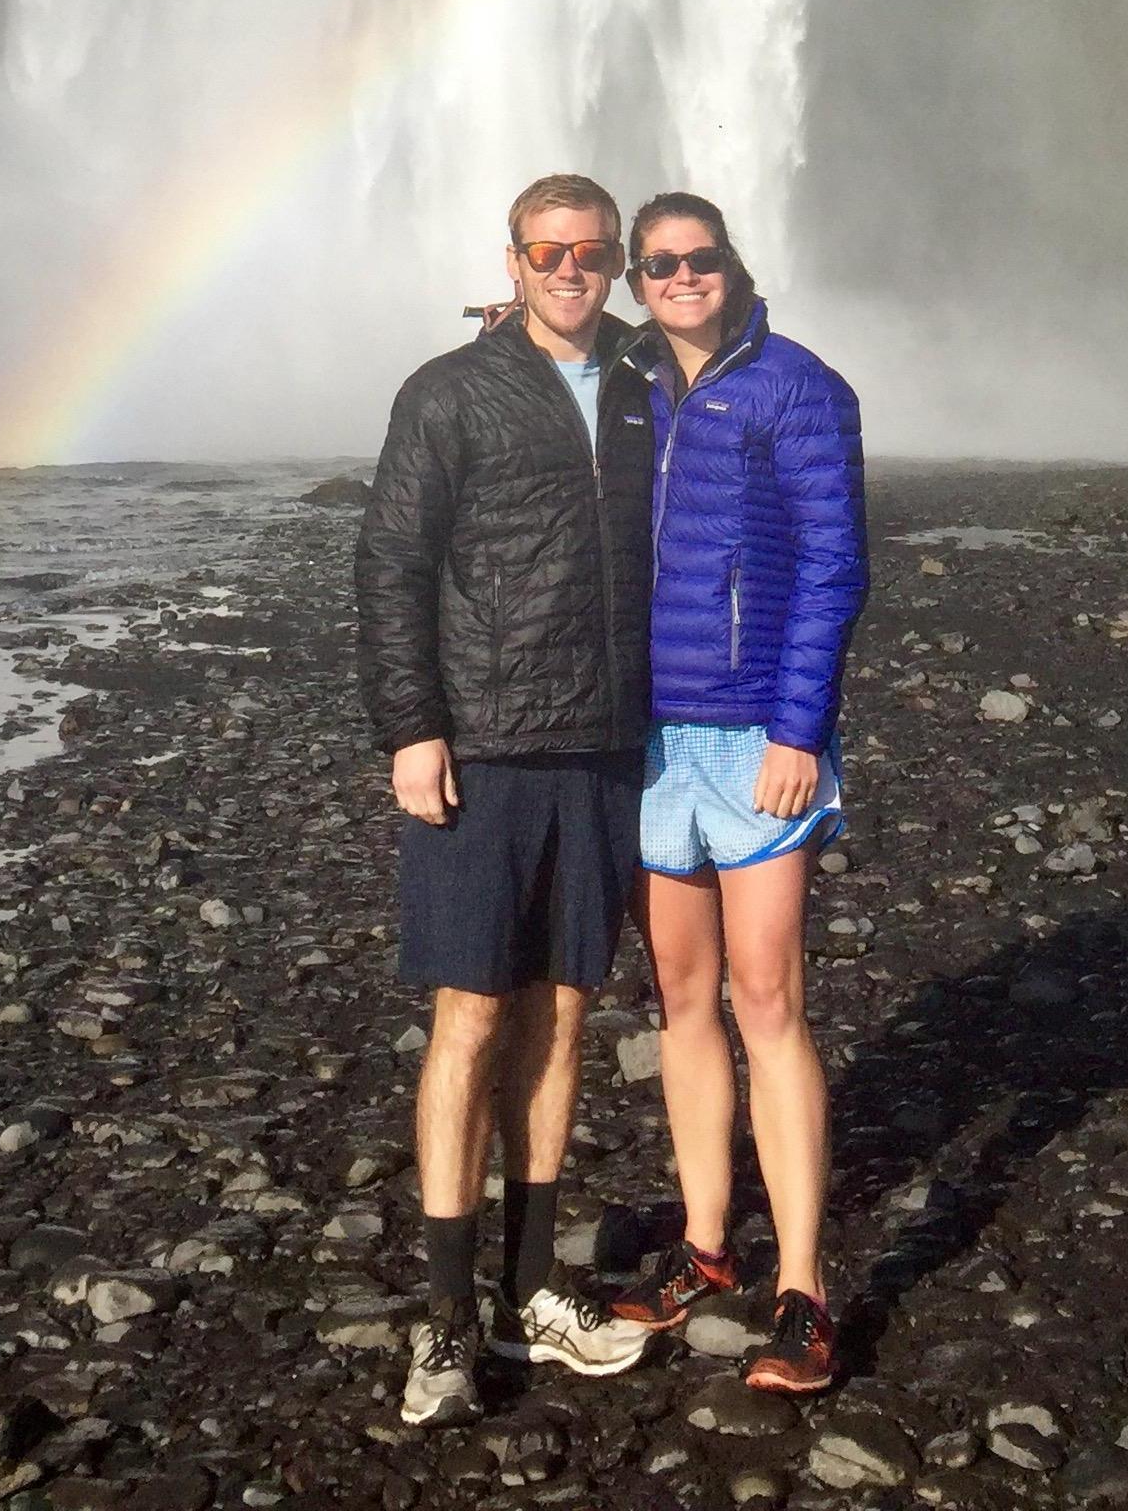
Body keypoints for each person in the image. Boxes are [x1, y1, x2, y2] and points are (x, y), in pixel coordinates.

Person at [354, 173, 664, 1428]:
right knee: (471, 1017)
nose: (570, 268)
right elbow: (390, 566)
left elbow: (727, 315)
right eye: (548, 250)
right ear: (514, 257)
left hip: (599, 748)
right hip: (481, 748)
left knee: (565, 1015)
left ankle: (537, 1287)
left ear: (618, 265)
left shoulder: (648, 387)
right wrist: (411, 730)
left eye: (593, 252)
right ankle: (443, 1321)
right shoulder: (448, 392)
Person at [606, 192, 868, 1396]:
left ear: (731, 264)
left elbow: (834, 564)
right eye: (658, 265)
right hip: (655, 739)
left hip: (758, 734)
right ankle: (708, 1248)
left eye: (699, 260)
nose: (682, 278)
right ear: (634, 280)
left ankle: (804, 1288)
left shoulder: (799, 386)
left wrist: (801, 730)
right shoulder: (632, 380)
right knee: (682, 997)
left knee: (769, 998)